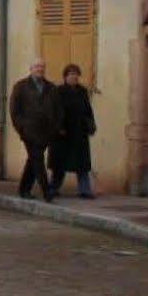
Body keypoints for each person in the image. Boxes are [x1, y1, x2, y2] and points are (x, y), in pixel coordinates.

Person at [9, 58, 62, 202]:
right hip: (29, 132)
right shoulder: (20, 86)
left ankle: (24, 189)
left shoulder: (51, 88)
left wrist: (56, 127)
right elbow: (14, 110)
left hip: (46, 132)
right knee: (38, 160)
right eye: (37, 66)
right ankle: (47, 191)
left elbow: (58, 110)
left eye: (42, 67)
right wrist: (21, 128)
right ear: (31, 69)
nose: (40, 69)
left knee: (33, 160)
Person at [50, 63, 97, 198]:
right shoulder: (58, 91)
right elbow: (55, 111)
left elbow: (88, 110)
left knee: (82, 165)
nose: (74, 77)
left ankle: (85, 190)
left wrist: (91, 125)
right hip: (63, 134)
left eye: (76, 74)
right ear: (65, 76)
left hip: (79, 133)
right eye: (71, 74)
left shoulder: (82, 91)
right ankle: (53, 188)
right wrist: (59, 127)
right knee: (59, 164)